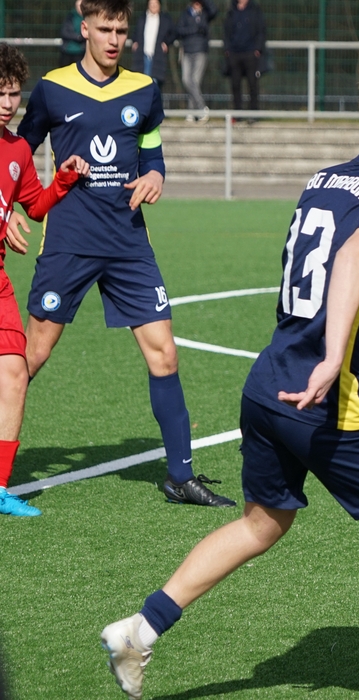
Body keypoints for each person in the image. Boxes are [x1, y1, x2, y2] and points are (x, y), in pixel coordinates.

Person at [100, 65, 359, 700]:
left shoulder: (324, 180)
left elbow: (311, 305)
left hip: (268, 384)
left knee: (262, 524)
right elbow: (352, 259)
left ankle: (139, 630)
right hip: (320, 398)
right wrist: (338, 359)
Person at [17, 0, 235, 508]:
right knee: (31, 356)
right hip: (69, 241)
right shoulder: (52, 88)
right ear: (85, 29)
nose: (114, 39)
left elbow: (153, 152)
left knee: (165, 353)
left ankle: (180, 477)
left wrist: (156, 174)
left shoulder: (144, 89)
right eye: (105, 29)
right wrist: (7, 208)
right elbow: (19, 155)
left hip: (129, 243)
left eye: (121, 30)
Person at [0, 43, 89, 517]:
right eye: (0, 93)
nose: (8, 103)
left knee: (15, 373)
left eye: (14, 93)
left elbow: (33, 205)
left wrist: (63, 180)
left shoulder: (17, 149)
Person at [223, 0, 266, 118]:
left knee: (252, 84)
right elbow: (226, 32)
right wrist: (227, 49)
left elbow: (261, 30)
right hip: (234, 53)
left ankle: (253, 114)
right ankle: (238, 114)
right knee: (235, 84)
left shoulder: (255, 10)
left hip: (250, 53)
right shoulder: (231, 11)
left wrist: (258, 49)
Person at [176, 0, 217, 122]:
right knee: (187, 80)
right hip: (187, 51)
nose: (197, 4)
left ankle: (191, 112)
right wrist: (195, 29)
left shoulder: (205, 14)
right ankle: (201, 108)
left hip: (200, 51)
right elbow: (179, 30)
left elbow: (214, 11)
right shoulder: (185, 14)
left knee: (194, 81)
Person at [130, 0, 176, 89]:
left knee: (154, 83)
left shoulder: (165, 19)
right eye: (151, 4)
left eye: (155, 4)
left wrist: (166, 42)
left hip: (157, 56)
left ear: (159, 5)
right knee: (142, 83)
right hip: (143, 55)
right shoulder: (142, 18)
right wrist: (135, 41)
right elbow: (135, 32)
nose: (153, 6)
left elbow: (174, 33)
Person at [58, 0, 87, 67]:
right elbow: (64, 32)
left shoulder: (88, 18)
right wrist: (77, 37)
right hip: (67, 52)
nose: (80, 8)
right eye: (78, 6)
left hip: (81, 52)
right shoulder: (70, 16)